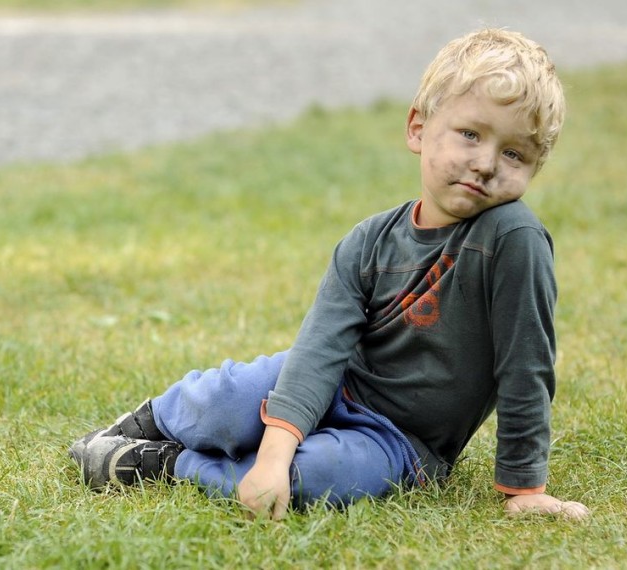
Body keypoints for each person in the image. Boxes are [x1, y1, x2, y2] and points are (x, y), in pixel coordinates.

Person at [68, 28, 591, 520]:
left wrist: (525, 488)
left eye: (513, 153)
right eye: (471, 134)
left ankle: (166, 464)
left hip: (402, 441)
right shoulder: (368, 241)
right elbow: (319, 350)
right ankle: (147, 424)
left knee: (312, 478)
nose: (486, 163)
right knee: (227, 402)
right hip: (335, 383)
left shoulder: (513, 239)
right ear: (418, 128)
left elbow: (526, 365)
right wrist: (276, 445)